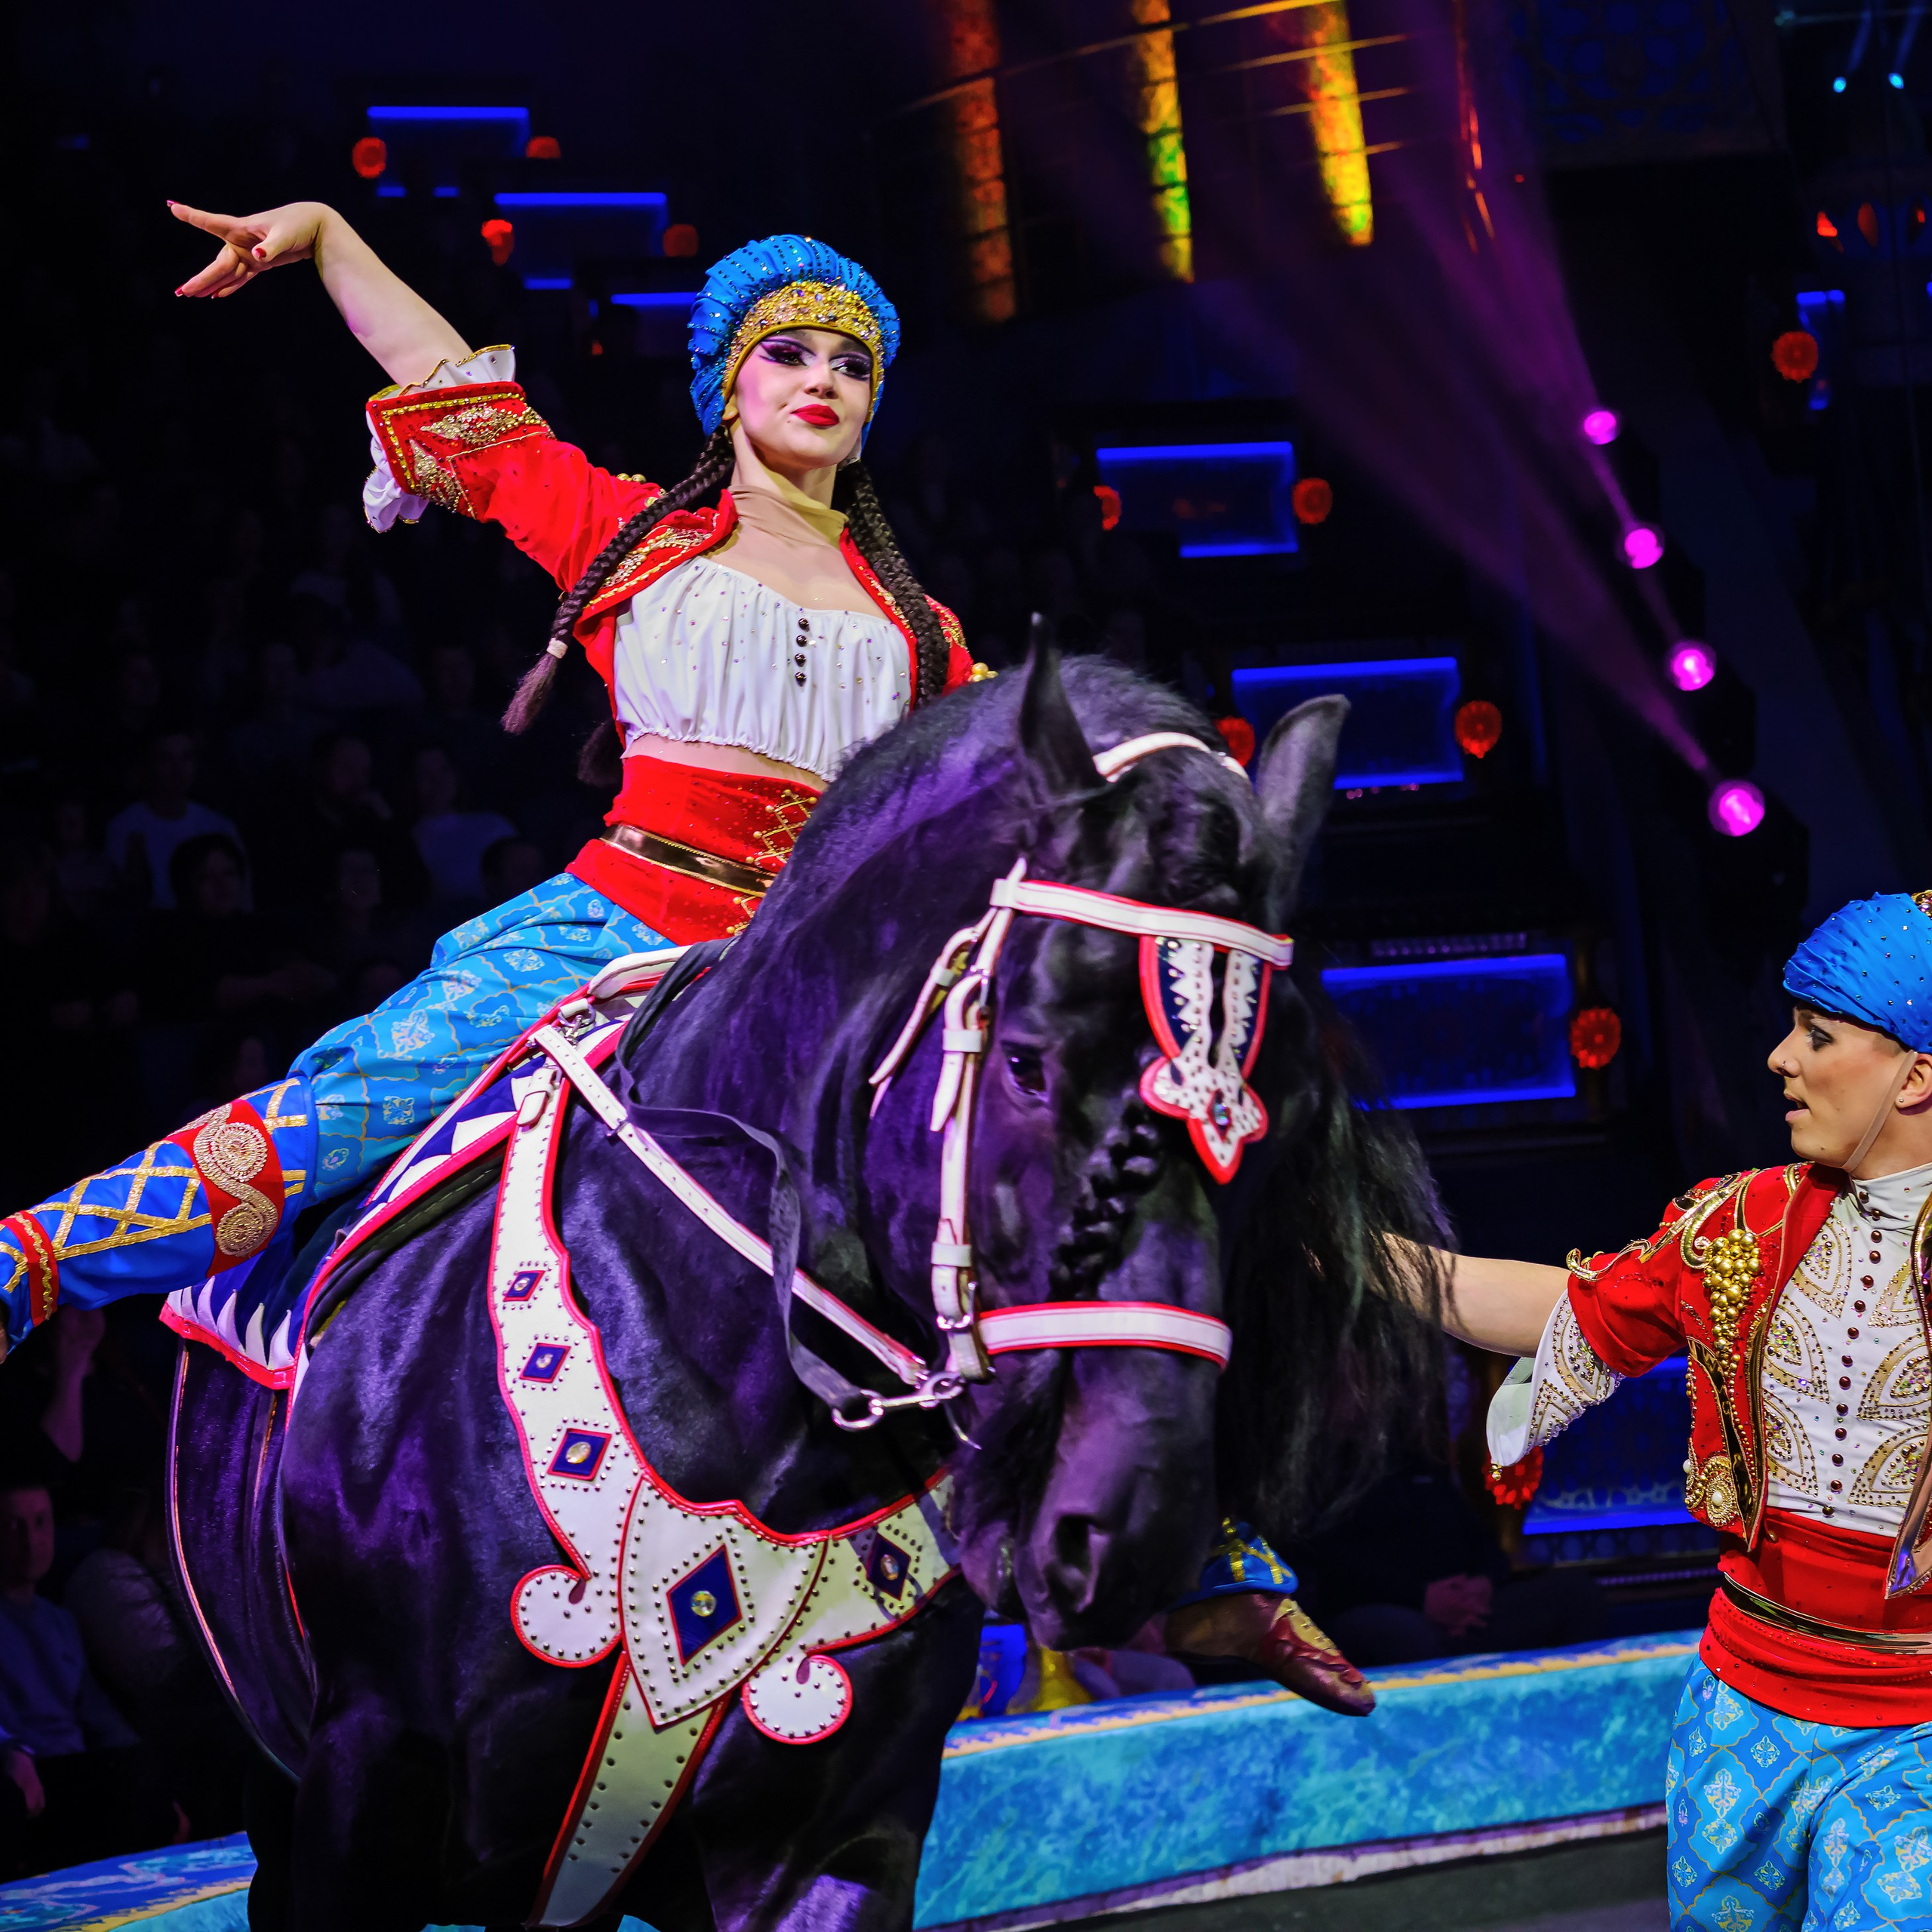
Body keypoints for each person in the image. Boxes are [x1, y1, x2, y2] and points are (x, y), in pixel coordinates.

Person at [0, 210, 973, 1349]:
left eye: (854, 366)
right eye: (790, 352)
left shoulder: (927, 633)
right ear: (726, 387)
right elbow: (448, 383)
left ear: (870, 418)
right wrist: (322, 236)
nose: (824, 379)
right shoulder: (632, 535)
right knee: (351, 1107)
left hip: (825, 979)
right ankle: (29, 1264)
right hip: (615, 930)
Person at [1427, 891, 1932, 1929]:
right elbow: (1565, 1309)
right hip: (1746, 1705)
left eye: (1818, 1035)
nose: (1779, 1059)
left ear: (1916, 1075)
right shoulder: (1742, 1224)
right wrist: (1351, 1258)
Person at [0, 1478, 177, 1876]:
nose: (31, 1540)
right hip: (31, 1775)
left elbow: (96, 1712)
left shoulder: (58, 1621)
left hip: (80, 1766)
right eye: (14, 1526)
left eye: (41, 1522)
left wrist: (148, 1768)